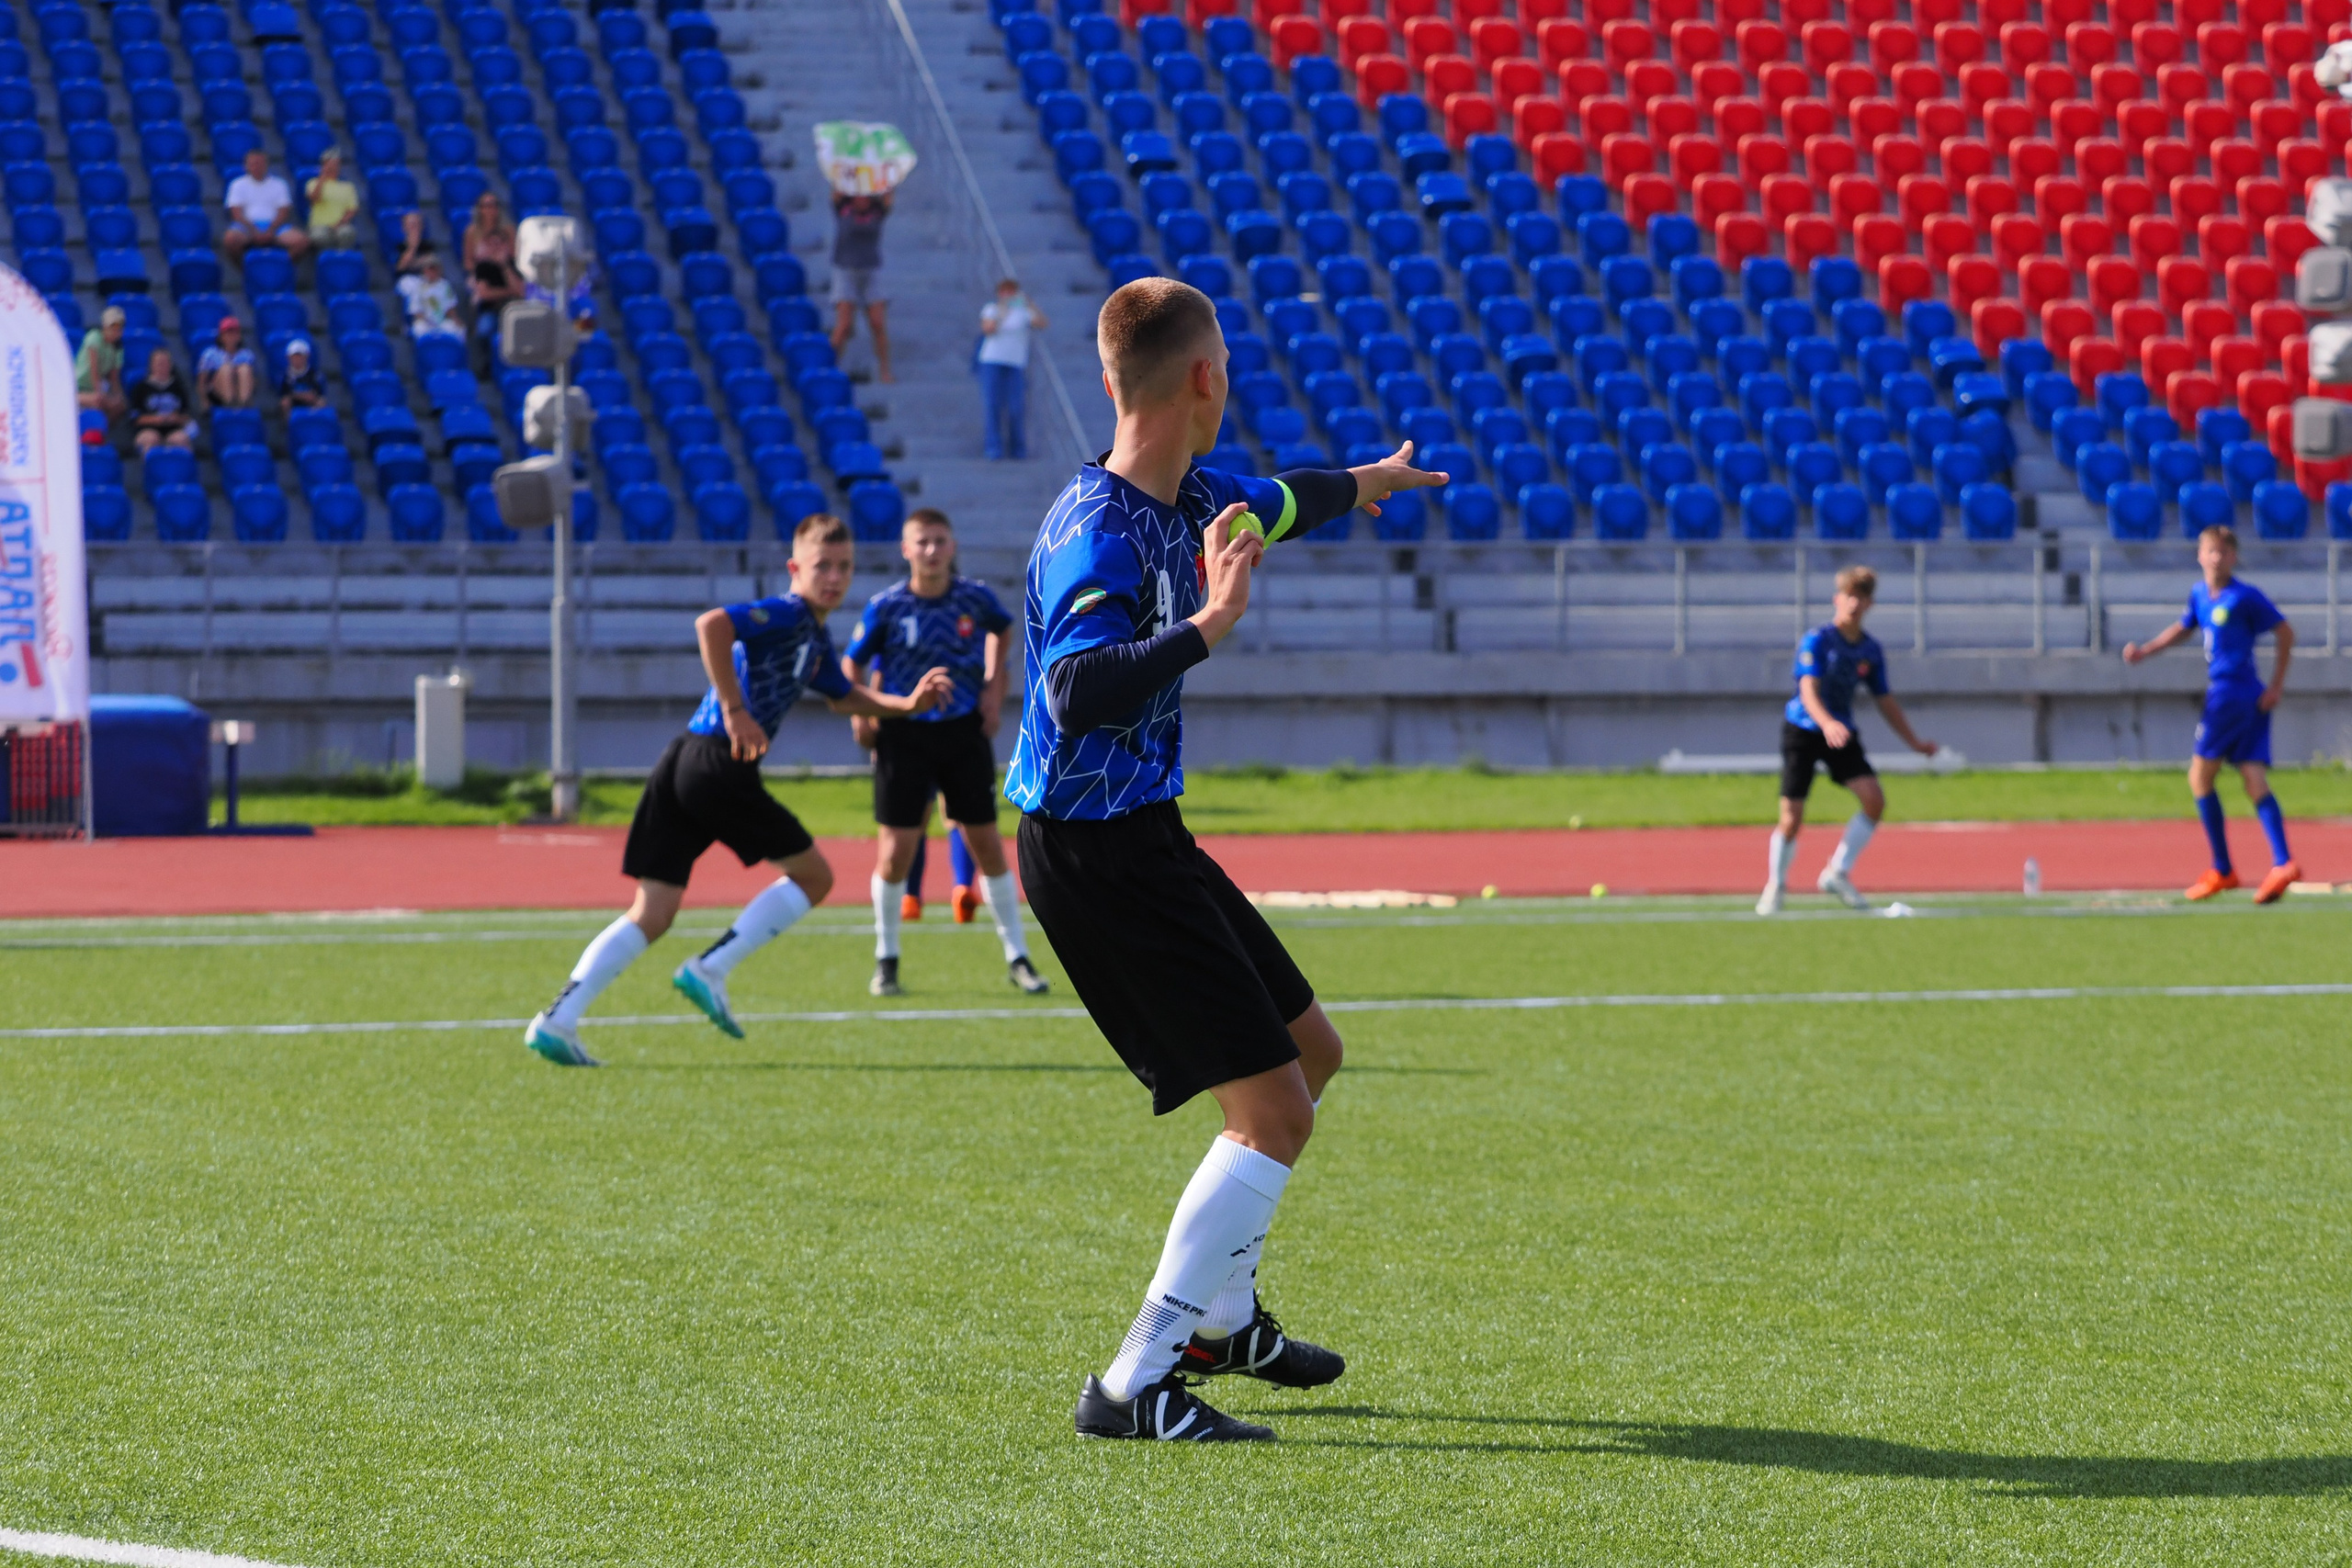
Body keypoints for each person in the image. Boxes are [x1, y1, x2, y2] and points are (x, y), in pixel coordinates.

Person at [1011, 277, 1446, 1442]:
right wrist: (1209, 624)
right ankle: (1136, 1379)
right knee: (1274, 1117)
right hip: (1094, 856)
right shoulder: (1097, 533)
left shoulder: (1194, 491)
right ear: (1204, 378)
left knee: (1311, 1053)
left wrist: (1373, 482)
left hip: (1148, 835)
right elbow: (1078, 690)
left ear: (1113, 382)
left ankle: (1219, 1320)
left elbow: (1285, 498)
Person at [524, 513, 955, 1066]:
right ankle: (711, 967)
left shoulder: (814, 638)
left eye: (844, 567)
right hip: (715, 761)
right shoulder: (785, 613)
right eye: (822, 565)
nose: (835, 577)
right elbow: (712, 626)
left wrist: (904, 705)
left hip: (682, 760)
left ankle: (558, 1020)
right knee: (816, 876)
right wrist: (734, 709)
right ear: (794, 568)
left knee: (652, 912)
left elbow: (843, 695)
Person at [842, 507, 1045, 998]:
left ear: (952, 547)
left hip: (962, 733)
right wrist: (862, 714)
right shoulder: (886, 606)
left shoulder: (973, 599)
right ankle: (886, 958)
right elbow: (851, 664)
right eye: (922, 542)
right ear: (905, 549)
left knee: (988, 845)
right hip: (903, 737)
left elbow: (1002, 629)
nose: (931, 550)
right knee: (896, 853)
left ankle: (1017, 956)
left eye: (939, 540)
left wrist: (994, 690)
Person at [2121, 525, 2301, 901]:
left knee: (2200, 778)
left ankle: (2222, 869)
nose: (2217, 558)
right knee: (2253, 778)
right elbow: (2183, 628)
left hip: (2231, 693)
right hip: (2243, 698)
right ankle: (2282, 861)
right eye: (2211, 551)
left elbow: (2285, 633)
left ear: (2234, 557)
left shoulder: (2244, 596)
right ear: (2200, 555)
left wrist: (2276, 684)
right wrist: (2146, 652)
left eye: (2224, 552)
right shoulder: (2200, 594)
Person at [1756, 565, 1939, 916]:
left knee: (1874, 800)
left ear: (1870, 604)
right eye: (1849, 596)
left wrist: (1914, 743)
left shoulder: (1869, 650)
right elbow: (1807, 690)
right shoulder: (1818, 641)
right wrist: (1825, 723)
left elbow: (1884, 699)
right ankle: (1776, 885)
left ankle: (1837, 872)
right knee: (1791, 818)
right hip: (1804, 730)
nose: (1854, 604)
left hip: (1839, 732)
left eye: (1862, 597)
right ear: (1837, 599)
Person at [978, 278, 1046, 461]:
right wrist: (1003, 310)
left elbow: (1042, 322)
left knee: (1016, 407)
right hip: (992, 362)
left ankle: (1018, 448)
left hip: (1015, 363)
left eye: (1011, 291)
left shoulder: (1023, 312)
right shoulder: (992, 309)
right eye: (1004, 291)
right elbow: (988, 329)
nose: (1008, 295)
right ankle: (993, 448)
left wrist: (1029, 303)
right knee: (993, 405)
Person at [829, 189, 893, 383]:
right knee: (844, 325)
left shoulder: (878, 211)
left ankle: (885, 370)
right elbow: (836, 190)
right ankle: (830, 367)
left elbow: (889, 195)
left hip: (871, 270)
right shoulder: (843, 209)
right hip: (846, 270)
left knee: (877, 323)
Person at [463, 191, 523, 371]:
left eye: (494, 205)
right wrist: (484, 268)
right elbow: (468, 262)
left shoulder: (508, 230)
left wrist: (502, 264)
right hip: (483, 275)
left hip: (506, 274)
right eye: (486, 205)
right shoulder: (472, 232)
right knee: (483, 319)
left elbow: (514, 259)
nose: (491, 209)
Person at [221, 150, 309, 263]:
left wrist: (271, 230)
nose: (256, 167)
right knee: (230, 240)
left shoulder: (279, 184)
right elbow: (237, 214)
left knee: (301, 242)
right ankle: (248, 271)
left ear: (266, 165)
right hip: (247, 227)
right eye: (253, 164)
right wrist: (254, 231)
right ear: (246, 166)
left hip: (275, 226)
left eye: (259, 163)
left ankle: (280, 269)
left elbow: (284, 212)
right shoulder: (237, 185)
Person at [127, 347, 197, 453]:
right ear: (151, 365)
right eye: (159, 363)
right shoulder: (140, 388)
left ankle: (185, 468)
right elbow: (136, 418)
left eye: (165, 362)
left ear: (170, 365)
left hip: (174, 429)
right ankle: (152, 468)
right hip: (148, 429)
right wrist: (157, 419)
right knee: (150, 439)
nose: (162, 366)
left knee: (181, 439)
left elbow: (186, 415)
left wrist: (174, 418)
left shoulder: (179, 387)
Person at [397, 254, 464, 340]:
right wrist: (429, 322)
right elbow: (416, 312)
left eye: (434, 269)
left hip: (442, 321)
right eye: (429, 269)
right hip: (426, 322)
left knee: (457, 328)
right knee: (419, 328)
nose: (431, 272)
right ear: (424, 270)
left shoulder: (445, 286)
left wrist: (455, 319)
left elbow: (450, 307)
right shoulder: (418, 287)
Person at [74, 305, 126, 416]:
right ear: (104, 326)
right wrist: (100, 395)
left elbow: (114, 378)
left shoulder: (118, 349)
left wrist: (118, 397)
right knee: (97, 400)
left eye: (119, 327)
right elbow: (94, 371)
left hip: (95, 389)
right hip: (77, 386)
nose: (116, 331)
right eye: (113, 326)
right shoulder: (94, 337)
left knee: (120, 406)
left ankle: (101, 430)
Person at [304, 152, 361, 252]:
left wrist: (340, 223)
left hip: (340, 225)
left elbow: (352, 209)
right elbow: (314, 198)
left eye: (336, 164)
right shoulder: (312, 183)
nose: (334, 167)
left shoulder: (348, 187)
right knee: (320, 236)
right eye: (330, 164)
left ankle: (342, 258)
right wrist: (323, 177)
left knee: (347, 233)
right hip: (319, 226)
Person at [196, 316, 256, 410]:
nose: (232, 337)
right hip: (216, 391)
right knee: (226, 369)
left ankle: (244, 405)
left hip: (239, 388)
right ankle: (229, 404)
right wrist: (204, 401)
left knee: (244, 369)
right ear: (221, 336)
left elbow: (253, 379)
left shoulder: (246, 354)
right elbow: (202, 381)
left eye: (235, 333)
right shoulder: (210, 354)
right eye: (228, 333)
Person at [278, 338, 327, 415]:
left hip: (311, 403)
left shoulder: (315, 374)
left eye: (300, 356)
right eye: (295, 357)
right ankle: (289, 425)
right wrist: (301, 396)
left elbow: (317, 394)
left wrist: (299, 395)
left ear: (306, 357)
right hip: (294, 403)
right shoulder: (285, 375)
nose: (297, 359)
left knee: (321, 403)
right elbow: (285, 393)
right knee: (285, 403)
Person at [394, 209, 437, 277]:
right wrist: (413, 246)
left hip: (427, 281)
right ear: (404, 227)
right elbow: (401, 267)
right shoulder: (399, 246)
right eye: (411, 225)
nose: (414, 228)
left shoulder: (428, 245)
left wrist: (413, 263)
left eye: (417, 224)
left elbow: (434, 266)